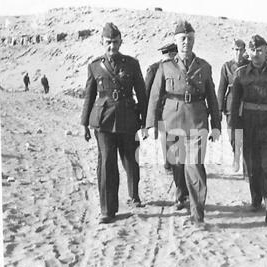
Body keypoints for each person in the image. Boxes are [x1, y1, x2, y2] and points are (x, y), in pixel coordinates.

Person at [146, 20, 221, 226]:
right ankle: (182, 193)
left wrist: (216, 124)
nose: (186, 43)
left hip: (197, 121)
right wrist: (151, 124)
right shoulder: (165, 67)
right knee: (177, 164)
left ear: (194, 40)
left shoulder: (204, 67)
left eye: (189, 39)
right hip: (172, 122)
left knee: (195, 166)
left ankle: (198, 216)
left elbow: (212, 99)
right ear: (175, 41)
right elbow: (155, 96)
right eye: (182, 39)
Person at [80, 22, 148, 224]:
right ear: (102, 41)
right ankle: (107, 211)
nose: (112, 46)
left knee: (130, 160)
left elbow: (142, 95)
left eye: (116, 42)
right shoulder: (94, 66)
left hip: (128, 119)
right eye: (108, 42)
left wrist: (145, 122)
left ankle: (134, 194)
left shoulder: (132, 64)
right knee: (107, 164)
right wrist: (84, 123)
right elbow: (89, 97)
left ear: (121, 42)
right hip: (104, 122)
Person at [230, 34, 267, 226]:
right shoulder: (241, 75)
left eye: (260, 51)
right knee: (252, 167)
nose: (256, 54)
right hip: (248, 126)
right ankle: (256, 198)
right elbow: (234, 104)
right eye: (253, 50)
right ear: (248, 52)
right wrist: (234, 131)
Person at [144, 42, 178, 172]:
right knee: (166, 136)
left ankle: (174, 163)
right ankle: (168, 163)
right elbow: (147, 92)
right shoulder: (154, 68)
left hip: (175, 108)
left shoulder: (179, 68)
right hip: (160, 109)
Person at [217, 39, 249, 172]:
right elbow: (221, 89)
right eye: (236, 50)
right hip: (230, 106)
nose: (238, 53)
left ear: (244, 51)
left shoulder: (250, 66)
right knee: (233, 136)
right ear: (232, 50)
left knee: (247, 136)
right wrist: (218, 109)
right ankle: (236, 157)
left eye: (241, 50)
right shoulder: (226, 66)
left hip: (247, 105)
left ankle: (247, 167)